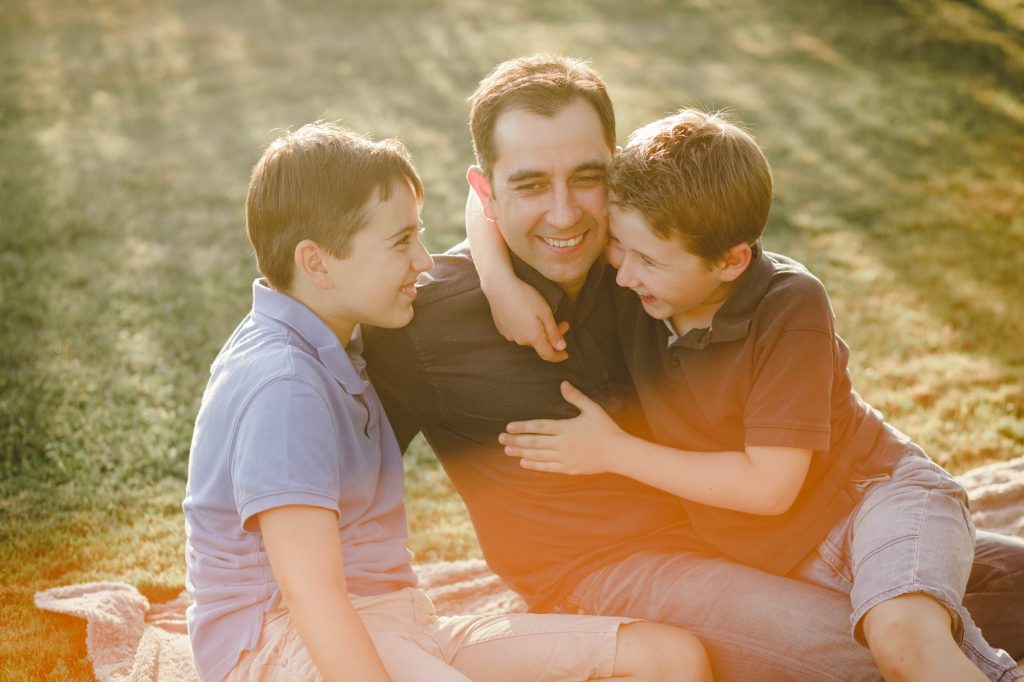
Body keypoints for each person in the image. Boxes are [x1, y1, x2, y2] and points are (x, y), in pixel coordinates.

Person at [363, 53, 1024, 681]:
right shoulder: (421, 321)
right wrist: (492, 276)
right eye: (530, 186)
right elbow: (329, 482)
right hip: (609, 565)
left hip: (752, 530)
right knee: (865, 651)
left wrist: (498, 266)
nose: (564, 214)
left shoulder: (632, 255)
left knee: (999, 587)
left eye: (587, 179)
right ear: (487, 188)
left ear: (614, 173)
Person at [181, 121, 711, 682]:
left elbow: (488, 192)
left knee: (668, 659)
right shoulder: (283, 388)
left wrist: (497, 276)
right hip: (283, 644)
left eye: (419, 235)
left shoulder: (333, 340)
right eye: (400, 242)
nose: (425, 261)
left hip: (398, 622)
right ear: (316, 263)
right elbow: (312, 598)